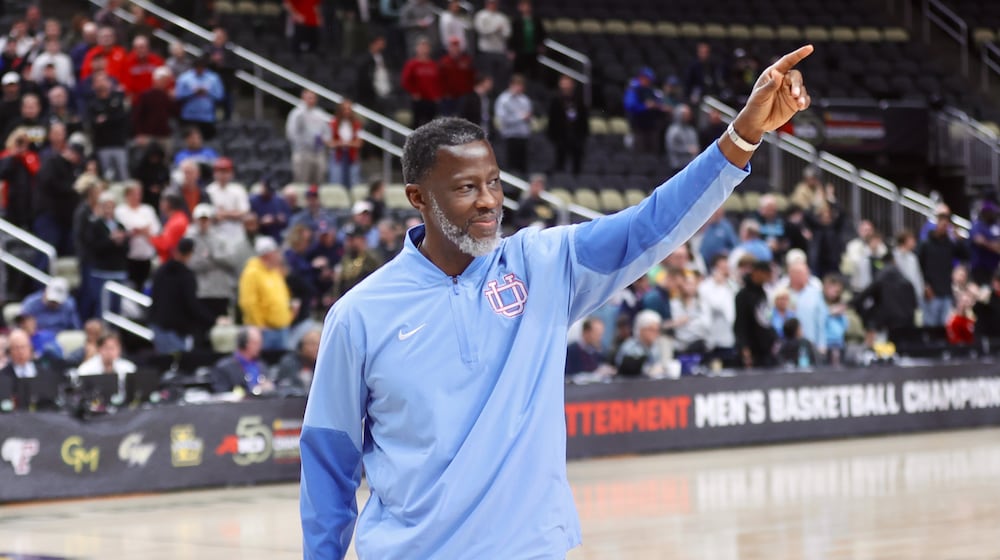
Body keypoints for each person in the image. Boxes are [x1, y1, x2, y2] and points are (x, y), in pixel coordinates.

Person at [300, 44, 814, 558]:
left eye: (494, 182)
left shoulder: (544, 264)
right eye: (465, 187)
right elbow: (328, 459)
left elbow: (651, 224)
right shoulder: (359, 315)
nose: (489, 200)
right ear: (418, 198)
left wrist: (743, 134)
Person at [149, 238, 217, 354]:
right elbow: (191, 304)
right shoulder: (186, 276)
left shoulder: (161, 271)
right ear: (190, 253)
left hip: (159, 324)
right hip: (176, 329)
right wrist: (212, 319)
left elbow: (154, 296)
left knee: (164, 361)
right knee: (176, 362)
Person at [239, 236, 295, 351]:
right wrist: (259, 324)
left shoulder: (274, 272)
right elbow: (248, 302)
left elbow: (283, 296)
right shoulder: (251, 273)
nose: (279, 256)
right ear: (268, 254)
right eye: (276, 252)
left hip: (282, 328)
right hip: (265, 331)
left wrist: (289, 316)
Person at [918, 207, 968, 327]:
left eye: (947, 223)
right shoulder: (926, 243)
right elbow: (919, 267)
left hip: (946, 292)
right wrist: (925, 286)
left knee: (944, 329)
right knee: (930, 328)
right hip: (931, 293)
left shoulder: (950, 244)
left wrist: (959, 240)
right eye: (942, 221)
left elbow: (966, 255)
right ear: (937, 222)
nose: (944, 225)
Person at [0, 329, 63, 410]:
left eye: (23, 347)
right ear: (9, 351)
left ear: (30, 348)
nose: (20, 352)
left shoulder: (46, 374)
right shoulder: (3, 377)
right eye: (16, 348)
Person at [115, 181, 161, 290]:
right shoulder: (120, 210)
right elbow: (124, 229)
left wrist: (141, 231)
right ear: (127, 195)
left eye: (138, 194)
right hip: (129, 256)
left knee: (143, 285)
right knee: (129, 286)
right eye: (133, 194)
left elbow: (156, 229)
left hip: (146, 254)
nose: (136, 197)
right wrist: (139, 230)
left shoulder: (147, 209)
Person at [735, 260, 778, 368]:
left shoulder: (763, 293)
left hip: (766, 349)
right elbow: (741, 324)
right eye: (766, 274)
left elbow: (766, 319)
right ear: (757, 272)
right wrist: (744, 347)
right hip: (752, 349)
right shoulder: (743, 296)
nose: (768, 278)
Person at [210, 326, 273, 395]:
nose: (260, 347)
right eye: (256, 343)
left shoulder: (262, 365)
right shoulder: (224, 368)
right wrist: (256, 390)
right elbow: (221, 394)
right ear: (244, 343)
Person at [546, 75, 589, 176]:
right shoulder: (555, 100)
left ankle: (576, 179)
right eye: (563, 84)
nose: (565, 86)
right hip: (560, 137)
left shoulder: (578, 100)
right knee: (559, 163)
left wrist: (582, 136)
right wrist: (553, 136)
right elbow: (552, 120)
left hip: (576, 137)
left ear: (572, 85)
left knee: (576, 164)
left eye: (567, 84)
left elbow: (584, 119)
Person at [175, 54, 224, 140]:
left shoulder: (214, 78)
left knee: (207, 141)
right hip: (189, 116)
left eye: (202, 67)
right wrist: (192, 92)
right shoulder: (185, 78)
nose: (200, 69)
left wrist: (207, 92)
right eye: (197, 67)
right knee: (189, 141)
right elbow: (178, 95)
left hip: (207, 117)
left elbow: (220, 96)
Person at [614, 309, 676, 378]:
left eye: (657, 330)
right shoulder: (629, 347)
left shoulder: (658, 346)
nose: (655, 333)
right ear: (641, 330)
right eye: (651, 330)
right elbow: (623, 371)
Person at [286, 89, 329, 186]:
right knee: (302, 183)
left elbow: (327, 132)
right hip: (303, 153)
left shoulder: (320, 113)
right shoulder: (296, 113)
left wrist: (324, 140)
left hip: (318, 153)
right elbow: (291, 133)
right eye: (309, 98)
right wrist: (304, 144)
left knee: (319, 182)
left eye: (313, 98)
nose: (311, 100)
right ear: (303, 98)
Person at [494, 74, 532, 176]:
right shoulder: (503, 100)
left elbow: (528, 117)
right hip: (509, 136)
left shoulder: (525, 100)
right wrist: (520, 117)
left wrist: (527, 118)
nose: (520, 88)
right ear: (511, 85)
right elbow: (503, 119)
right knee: (510, 166)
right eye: (518, 85)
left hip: (523, 136)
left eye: (521, 86)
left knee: (522, 166)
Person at [401, 38, 443, 129]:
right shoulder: (412, 64)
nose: (424, 49)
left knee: (431, 125)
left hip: (431, 100)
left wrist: (438, 95)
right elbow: (405, 81)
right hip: (418, 100)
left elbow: (439, 82)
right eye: (421, 46)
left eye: (426, 46)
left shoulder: (433, 65)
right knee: (416, 124)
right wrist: (413, 92)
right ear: (417, 48)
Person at [205, 157, 249, 237]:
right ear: (214, 173)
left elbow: (244, 212)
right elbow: (206, 214)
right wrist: (232, 213)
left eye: (225, 172)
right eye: (219, 172)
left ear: (231, 173)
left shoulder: (238, 189)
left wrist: (224, 214)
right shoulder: (209, 190)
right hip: (214, 232)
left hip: (236, 232)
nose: (222, 175)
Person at [473, 0, 511, 90]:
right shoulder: (481, 15)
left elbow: (507, 33)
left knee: (500, 78)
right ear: (486, 3)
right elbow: (481, 30)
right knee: (486, 77)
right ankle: (487, 95)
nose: (492, 5)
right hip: (485, 51)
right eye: (490, 2)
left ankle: (497, 94)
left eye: (494, 3)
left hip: (499, 51)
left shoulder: (502, 17)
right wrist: (495, 29)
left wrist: (496, 30)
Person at [327, 99, 363, 188]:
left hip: (351, 154)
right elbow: (330, 142)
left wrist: (344, 143)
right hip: (338, 155)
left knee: (354, 180)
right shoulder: (333, 123)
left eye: (349, 109)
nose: (347, 111)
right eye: (344, 109)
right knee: (336, 180)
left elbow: (359, 143)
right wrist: (344, 143)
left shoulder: (356, 124)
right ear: (340, 110)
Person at [274, 328, 321, 392]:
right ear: (301, 346)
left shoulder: (322, 366)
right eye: (312, 344)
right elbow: (284, 387)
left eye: (318, 345)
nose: (316, 348)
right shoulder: (288, 363)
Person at [508, 0, 546, 79]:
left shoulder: (536, 20)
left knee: (534, 73)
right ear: (519, 7)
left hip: (533, 51)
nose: (525, 8)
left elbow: (542, 33)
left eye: (527, 6)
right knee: (519, 73)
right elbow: (512, 36)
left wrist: (541, 45)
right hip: (520, 51)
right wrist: (511, 50)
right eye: (523, 6)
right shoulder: (516, 20)